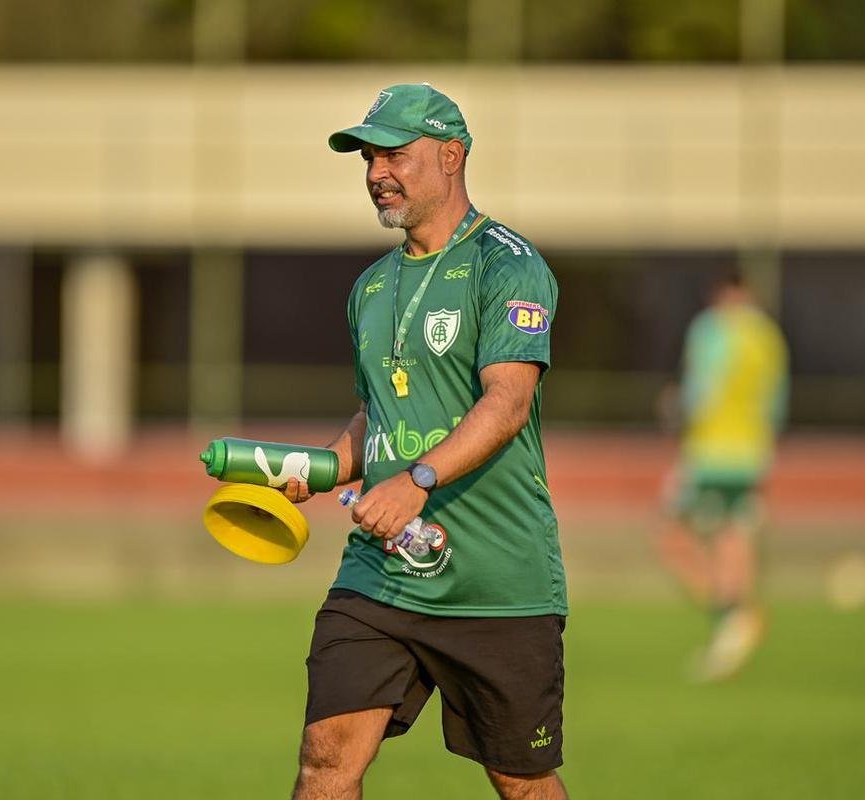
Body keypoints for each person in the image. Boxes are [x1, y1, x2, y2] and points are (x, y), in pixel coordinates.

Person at [281, 83, 568, 800]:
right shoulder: (370, 287)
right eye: (367, 158)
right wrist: (322, 468)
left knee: (522, 782)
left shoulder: (508, 265)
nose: (376, 173)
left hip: (494, 583)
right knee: (325, 760)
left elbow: (506, 404)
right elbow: (376, 415)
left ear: (451, 155)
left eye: (394, 155)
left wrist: (416, 482)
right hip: (380, 575)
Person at [655, 270, 789, 682]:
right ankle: (734, 629)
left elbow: (702, 391)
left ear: (721, 294)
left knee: (671, 538)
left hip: (710, 454)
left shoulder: (713, 330)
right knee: (735, 540)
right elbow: (776, 404)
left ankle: (733, 618)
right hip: (752, 455)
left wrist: (675, 409)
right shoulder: (768, 336)